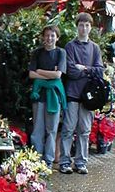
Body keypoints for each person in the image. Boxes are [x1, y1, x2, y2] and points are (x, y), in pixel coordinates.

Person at [59, 12, 104, 175]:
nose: (83, 28)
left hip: (88, 97)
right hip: (72, 93)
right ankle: (65, 162)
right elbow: (70, 71)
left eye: (86, 25)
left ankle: (81, 162)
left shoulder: (95, 48)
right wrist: (89, 71)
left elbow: (100, 71)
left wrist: (84, 68)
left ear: (90, 27)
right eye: (81, 25)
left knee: (84, 130)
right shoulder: (70, 46)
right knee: (68, 129)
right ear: (77, 26)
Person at [29, 25, 67, 168]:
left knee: (52, 129)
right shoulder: (37, 53)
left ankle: (49, 160)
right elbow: (31, 74)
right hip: (39, 95)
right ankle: (37, 158)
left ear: (57, 38)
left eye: (52, 35)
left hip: (54, 96)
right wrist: (50, 75)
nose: (49, 38)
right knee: (37, 129)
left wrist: (40, 71)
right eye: (47, 35)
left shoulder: (61, 53)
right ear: (43, 37)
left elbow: (58, 75)